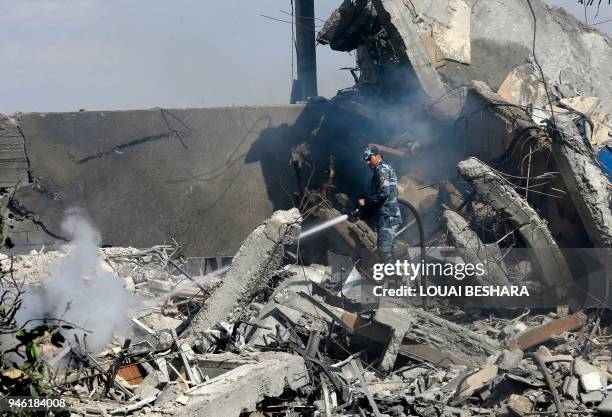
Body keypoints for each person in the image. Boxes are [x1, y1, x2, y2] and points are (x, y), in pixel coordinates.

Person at [358, 146, 402, 262]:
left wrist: (366, 202)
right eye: (365, 160)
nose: (367, 162)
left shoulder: (382, 169)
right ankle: (394, 277)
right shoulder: (378, 171)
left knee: (384, 251)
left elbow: (384, 193)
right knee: (386, 251)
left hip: (389, 216)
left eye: (369, 158)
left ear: (378, 156)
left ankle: (393, 277)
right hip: (384, 216)